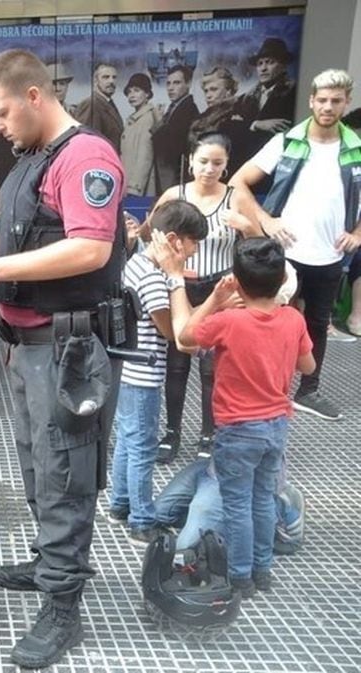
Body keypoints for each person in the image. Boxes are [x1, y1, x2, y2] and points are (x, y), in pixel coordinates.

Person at [0, 49, 127, 669]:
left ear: (35, 98)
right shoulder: (30, 160)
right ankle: (53, 562)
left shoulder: (85, 157)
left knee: (65, 477)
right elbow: (25, 238)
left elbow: (88, 249)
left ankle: (62, 607)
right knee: (37, 468)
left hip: (67, 350)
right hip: (27, 347)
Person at [178, 237, 315, 598]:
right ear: (283, 277)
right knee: (263, 498)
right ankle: (263, 570)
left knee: (237, 503)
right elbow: (308, 365)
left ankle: (240, 577)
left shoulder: (228, 321)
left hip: (237, 430)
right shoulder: (293, 319)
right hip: (277, 425)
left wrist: (214, 300)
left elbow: (186, 334)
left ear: (236, 281)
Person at [230, 69, 361, 422]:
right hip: (285, 252)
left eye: (336, 100)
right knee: (266, 319)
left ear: (346, 102)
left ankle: (309, 390)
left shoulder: (356, 148)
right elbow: (238, 182)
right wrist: (267, 221)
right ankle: (262, 393)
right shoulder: (288, 141)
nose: (328, 106)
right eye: (322, 100)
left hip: (330, 253)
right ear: (311, 101)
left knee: (317, 322)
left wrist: (359, 233)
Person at [150, 133, 261, 463]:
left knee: (213, 367)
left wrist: (248, 227)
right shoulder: (175, 194)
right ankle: (171, 433)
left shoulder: (236, 197)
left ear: (227, 164)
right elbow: (151, 232)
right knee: (176, 362)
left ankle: (209, 434)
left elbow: (259, 246)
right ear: (190, 160)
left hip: (220, 288)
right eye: (203, 162)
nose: (209, 169)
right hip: (179, 283)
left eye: (218, 163)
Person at [108, 201, 205, 546]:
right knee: (143, 447)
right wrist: (175, 280)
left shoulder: (136, 262)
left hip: (126, 369)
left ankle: (120, 504)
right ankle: (142, 520)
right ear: (177, 241)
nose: (195, 252)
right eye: (195, 243)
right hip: (143, 374)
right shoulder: (152, 276)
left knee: (128, 439)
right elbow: (170, 331)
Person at [154, 456, 305, 555]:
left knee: (184, 551)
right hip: (212, 466)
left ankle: (284, 507)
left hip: (242, 475)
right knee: (157, 514)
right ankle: (221, 518)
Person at [228, 37, 297, 175]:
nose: (263, 68)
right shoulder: (246, 98)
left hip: (275, 166)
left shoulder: (293, 93)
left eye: (270, 62)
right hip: (245, 165)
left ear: (283, 66)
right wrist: (256, 124)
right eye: (260, 64)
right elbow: (229, 126)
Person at [152, 65, 200, 193]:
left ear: (188, 83)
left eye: (176, 83)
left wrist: (159, 122)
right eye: (168, 83)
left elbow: (169, 145)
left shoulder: (188, 109)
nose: (171, 88)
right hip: (170, 175)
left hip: (176, 176)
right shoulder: (175, 107)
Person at [120, 73, 162, 197]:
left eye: (137, 91)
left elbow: (145, 156)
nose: (132, 95)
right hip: (131, 183)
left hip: (138, 187)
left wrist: (134, 187)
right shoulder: (136, 119)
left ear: (147, 94)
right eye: (129, 92)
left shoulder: (146, 119)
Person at [74, 63, 123, 152]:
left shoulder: (108, 103)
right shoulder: (91, 104)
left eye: (114, 77)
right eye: (106, 77)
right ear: (95, 81)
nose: (111, 81)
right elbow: (87, 142)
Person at [187, 67, 240, 150]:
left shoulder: (234, 116)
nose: (208, 95)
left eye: (214, 89)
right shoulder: (201, 118)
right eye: (206, 91)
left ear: (228, 91)